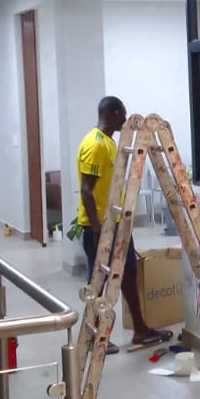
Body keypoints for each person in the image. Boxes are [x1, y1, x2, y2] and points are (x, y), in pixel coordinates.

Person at [77, 96, 166, 354]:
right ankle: (93, 337)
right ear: (114, 113)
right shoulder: (95, 144)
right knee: (98, 280)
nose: (125, 120)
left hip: (116, 223)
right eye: (123, 115)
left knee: (128, 273)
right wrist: (97, 229)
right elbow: (86, 191)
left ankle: (141, 329)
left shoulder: (108, 142)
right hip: (100, 227)